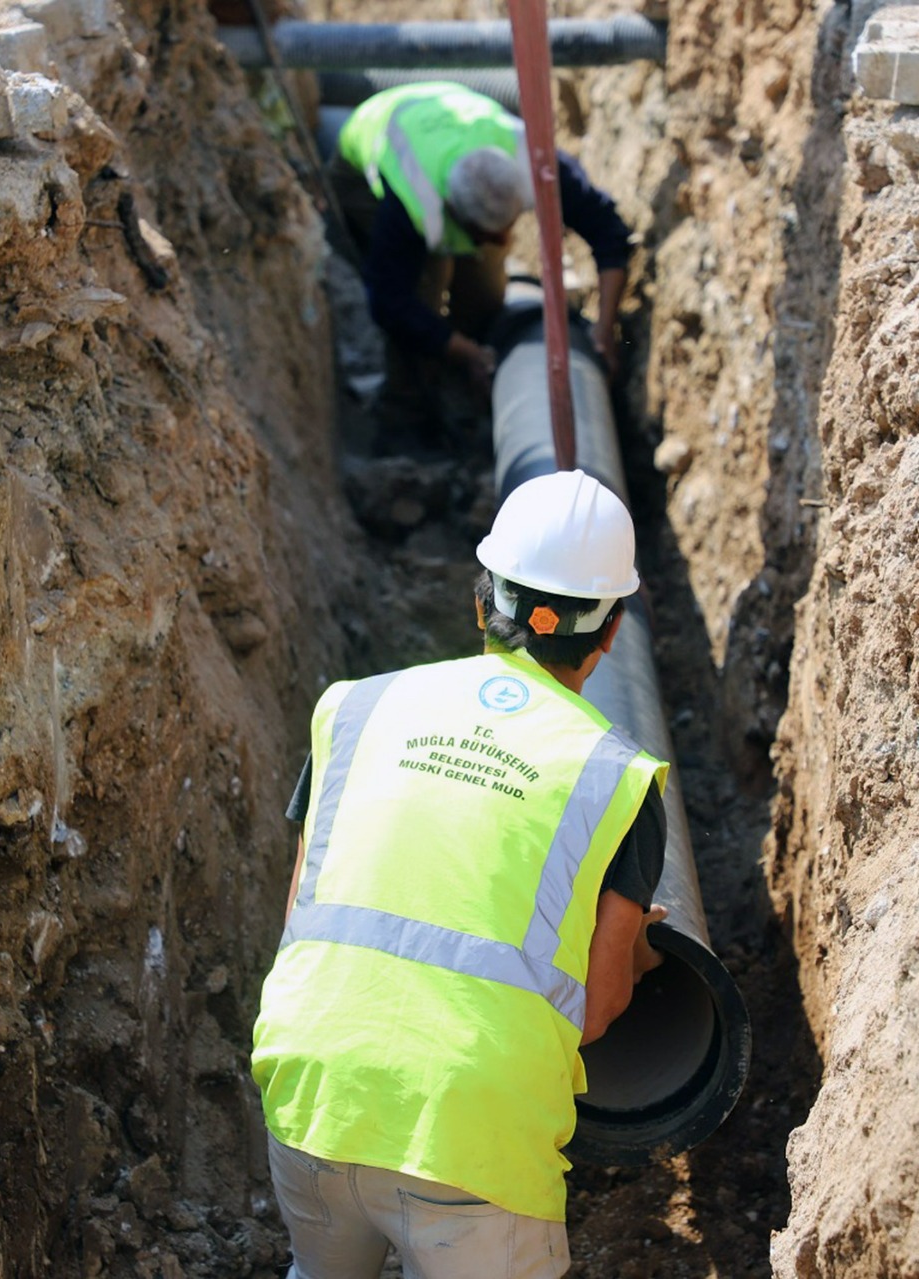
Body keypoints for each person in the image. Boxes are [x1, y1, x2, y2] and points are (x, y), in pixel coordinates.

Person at [251, 469, 669, 1279]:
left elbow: (301, 923)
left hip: (310, 1093)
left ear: (482, 602)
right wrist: (642, 953)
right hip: (471, 1131)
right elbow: (595, 1006)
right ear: (611, 633)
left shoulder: (356, 708)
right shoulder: (613, 775)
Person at [328, 82, 635, 445]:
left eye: (508, 227)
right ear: (457, 217)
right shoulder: (412, 205)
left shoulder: (534, 160)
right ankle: (406, 416)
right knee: (424, 292)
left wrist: (604, 329)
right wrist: (466, 353)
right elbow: (389, 302)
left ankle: (474, 386)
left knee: (484, 292)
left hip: (451, 124)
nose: (506, 241)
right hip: (368, 148)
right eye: (490, 236)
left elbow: (610, 232)